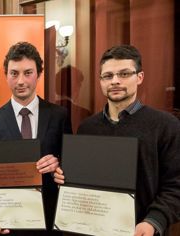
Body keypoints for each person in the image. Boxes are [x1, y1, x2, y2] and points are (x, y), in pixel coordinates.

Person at [54, 45, 180, 236]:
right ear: (100, 81)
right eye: (108, 76)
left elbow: (175, 185)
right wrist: (64, 177)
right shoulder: (87, 128)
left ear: (139, 77)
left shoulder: (166, 126)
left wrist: (153, 221)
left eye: (124, 74)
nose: (115, 81)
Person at [0, 41, 72, 235]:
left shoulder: (60, 115)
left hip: (51, 218)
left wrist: (58, 163)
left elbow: (71, 166)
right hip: (10, 222)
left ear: (39, 74)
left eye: (28, 73)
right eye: (14, 73)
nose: (21, 81)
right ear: (6, 75)